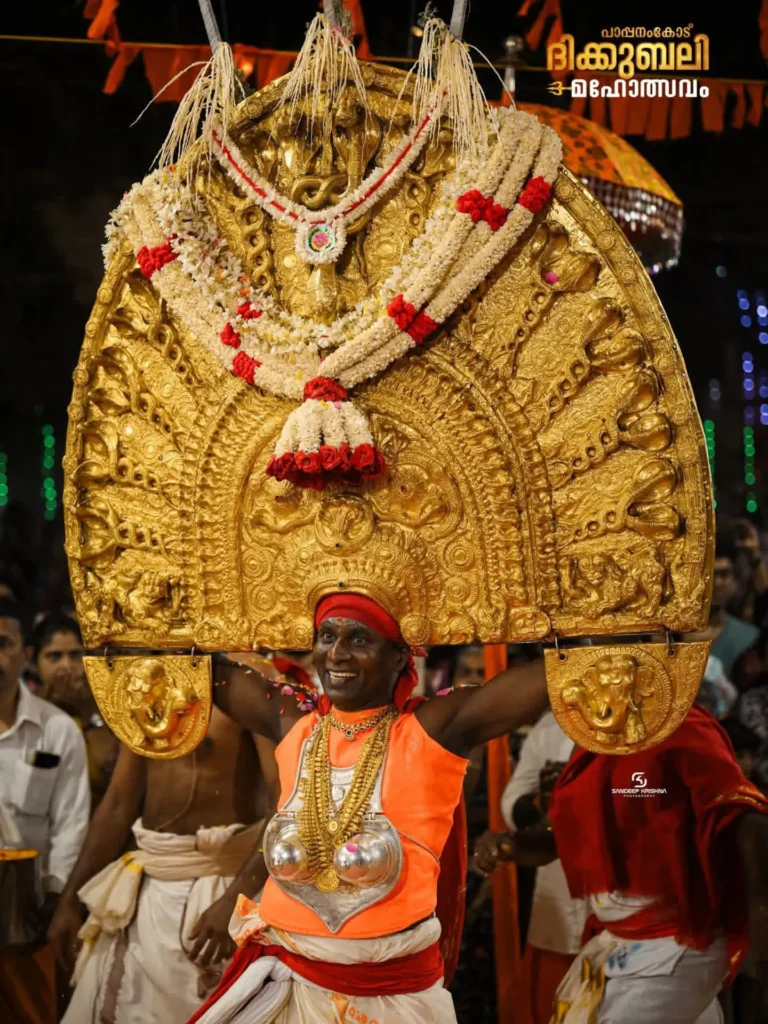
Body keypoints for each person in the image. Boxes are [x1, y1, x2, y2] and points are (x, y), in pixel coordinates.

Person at [186, 592, 548, 1024]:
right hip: (285, 989)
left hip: (388, 1001)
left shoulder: (429, 730)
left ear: (399, 656)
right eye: (327, 636)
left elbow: (549, 678)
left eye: (359, 640)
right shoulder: (294, 721)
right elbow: (199, 670)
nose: (337, 653)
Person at [473, 703, 768, 1023]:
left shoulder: (681, 725)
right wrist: (512, 845)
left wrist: (760, 921)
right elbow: (561, 833)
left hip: (679, 943)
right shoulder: (589, 735)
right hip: (619, 940)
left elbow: (747, 821)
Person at [48, 660, 282, 1024]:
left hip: (223, 892)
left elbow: (284, 799)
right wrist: (69, 902)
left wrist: (236, 898)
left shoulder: (249, 677)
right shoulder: (147, 674)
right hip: (149, 891)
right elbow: (118, 804)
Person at [0, 597, 90, 1024]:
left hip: (30, 914)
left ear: (25, 654)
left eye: (3, 644)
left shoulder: (57, 730)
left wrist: (56, 898)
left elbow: (70, 822)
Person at [493, 710, 586, 1024]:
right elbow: (513, 798)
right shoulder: (553, 725)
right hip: (560, 898)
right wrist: (545, 808)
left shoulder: (659, 725)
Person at [28, 613, 118, 808]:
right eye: (54, 656)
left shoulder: (108, 704)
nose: (67, 666)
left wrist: (85, 710)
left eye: (75, 655)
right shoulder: (24, 712)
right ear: (34, 662)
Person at [710, 525, 759, 676]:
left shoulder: (749, 638)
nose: (717, 582)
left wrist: (755, 558)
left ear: (735, 581)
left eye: (724, 574)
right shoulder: (676, 637)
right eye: (711, 575)